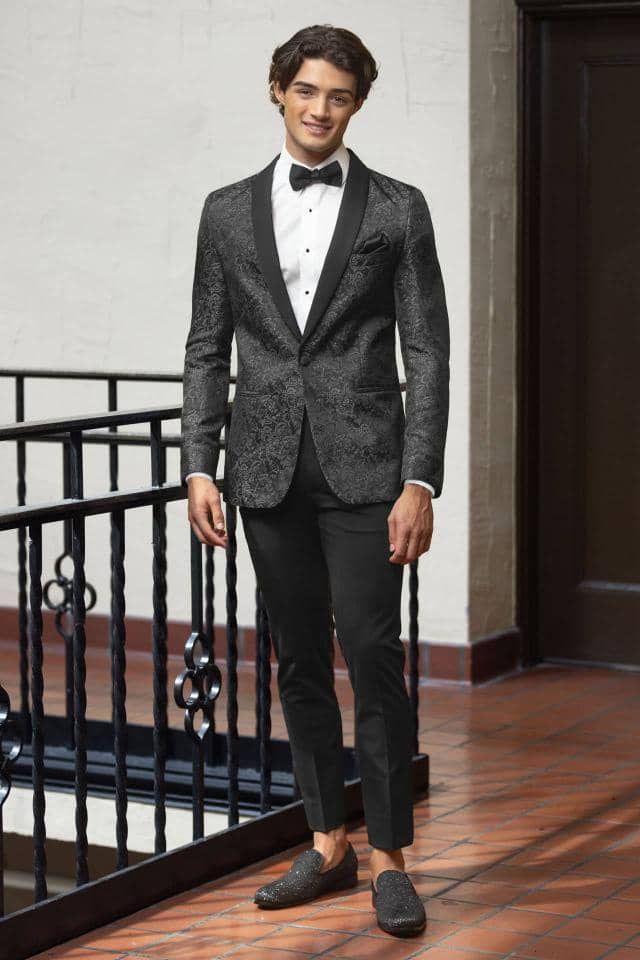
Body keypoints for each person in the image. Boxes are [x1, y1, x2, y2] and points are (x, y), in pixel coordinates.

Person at [180, 23, 450, 937]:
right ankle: (327, 842)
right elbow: (206, 347)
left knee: (372, 654)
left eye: (338, 95)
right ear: (278, 91)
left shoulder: (398, 209)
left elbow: (427, 350)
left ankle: (391, 859)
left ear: (356, 104)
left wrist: (420, 480)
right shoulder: (224, 211)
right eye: (306, 91)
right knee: (296, 658)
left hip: (369, 467)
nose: (320, 109)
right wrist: (198, 465)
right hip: (263, 471)